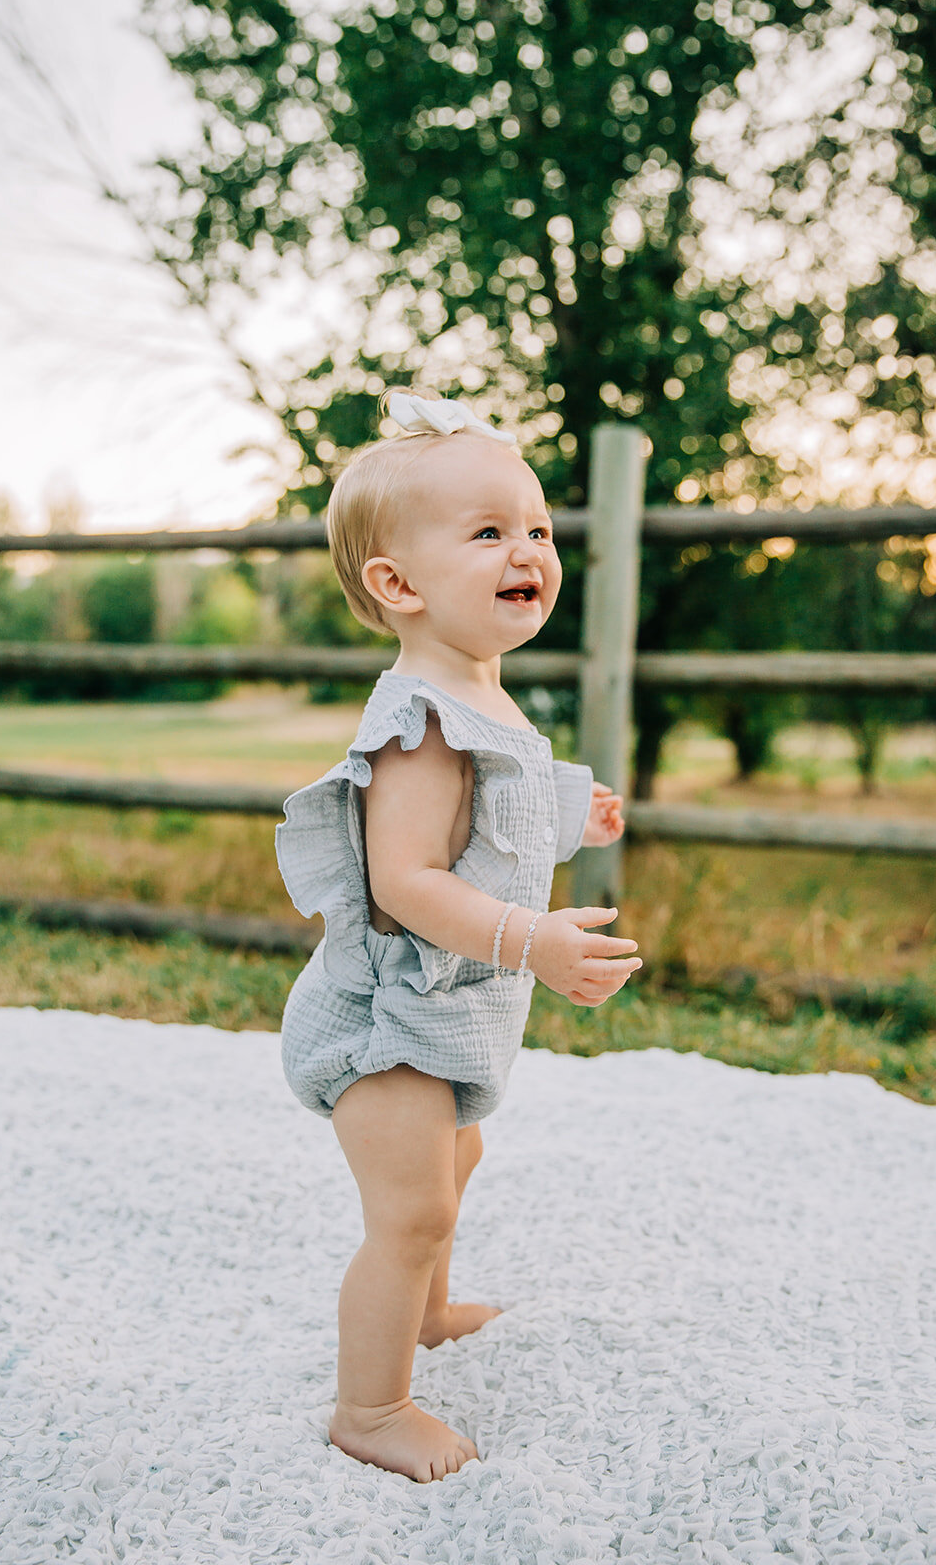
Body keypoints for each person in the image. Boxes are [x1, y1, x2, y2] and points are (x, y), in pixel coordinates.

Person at [275, 387, 643, 1484]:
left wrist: (570, 813)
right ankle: (371, 1406)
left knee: (456, 1156)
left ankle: (426, 1310)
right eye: (487, 532)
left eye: (534, 527)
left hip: (446, 1017)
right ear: (399, 585)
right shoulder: (418, 722)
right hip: (385, 1020)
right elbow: (404, 878)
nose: (527, 547)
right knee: (413, 1204)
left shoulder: (481, 695)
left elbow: (493, 817)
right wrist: (530, 939)